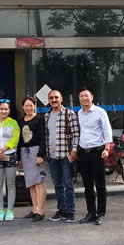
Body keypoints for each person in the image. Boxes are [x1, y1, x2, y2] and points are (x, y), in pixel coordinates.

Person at [76, 87, 113, 226]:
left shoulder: (100, 112)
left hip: (97, 152)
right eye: (81, 96)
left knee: (100, 185)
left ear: (92, 97)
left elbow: (107, 130)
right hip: (83, 153)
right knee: (87, 185)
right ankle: (91, 213)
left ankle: (100, 213)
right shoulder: (79, 113)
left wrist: (107, 148)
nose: (84, 98)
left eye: (86, 96)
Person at [44, 90, 80, 223]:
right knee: (57, 185)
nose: (53, 100)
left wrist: (74, 150)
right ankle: (61, 210)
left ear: (61, 99)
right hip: (52, 156)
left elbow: (76, 134)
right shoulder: (46, 116)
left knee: (68, 184)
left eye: (56, 97)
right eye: (51, 98)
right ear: (48, 100)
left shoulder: (69, 114)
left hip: (66, 155)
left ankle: (70, 212)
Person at [19, 96, 48, 221]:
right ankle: (34, 208)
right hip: (24, 152)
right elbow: (20, 140)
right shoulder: (20, 121)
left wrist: (41, 155)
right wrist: (19, 158)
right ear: (23, 107)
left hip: (36, 152)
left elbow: (43, 138)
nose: (29, 108)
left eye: (31, 105)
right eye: (26, 105)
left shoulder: (39, 119)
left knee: (39, 182)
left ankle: (40, 210)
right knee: (30, 182)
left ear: (35, 106)